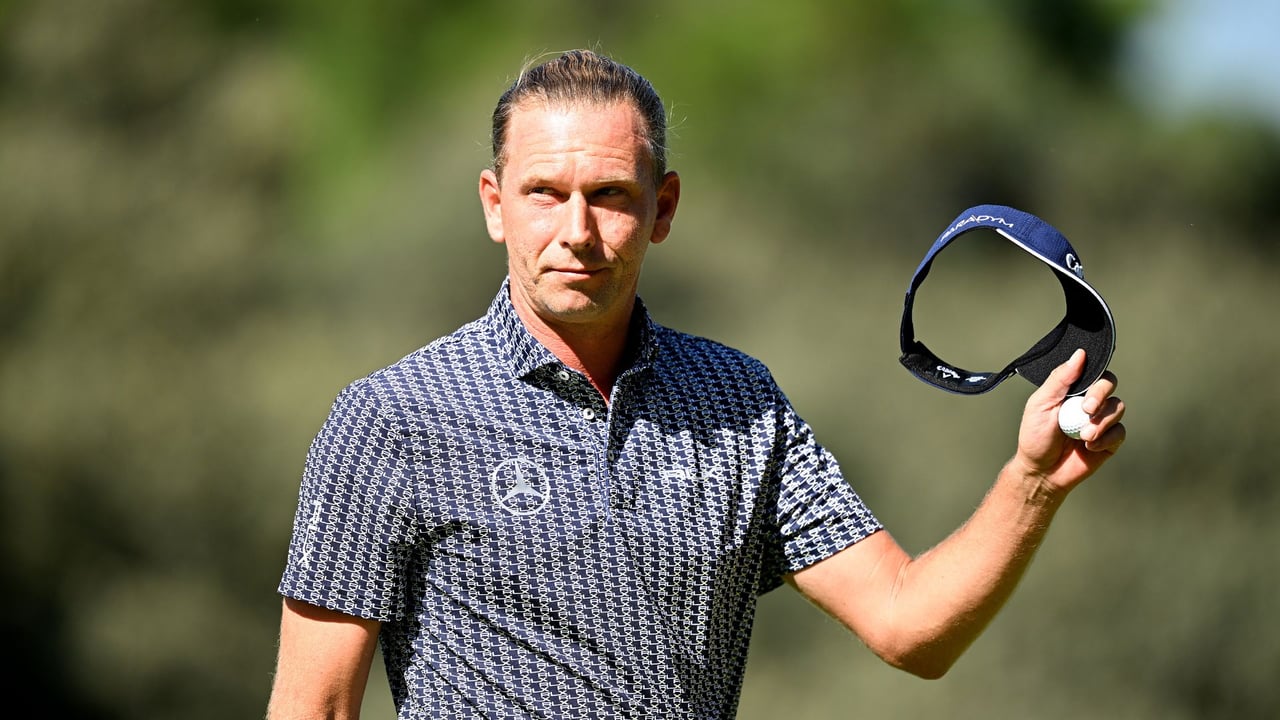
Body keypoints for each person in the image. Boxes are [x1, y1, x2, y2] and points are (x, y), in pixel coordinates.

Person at [266, 49, 1126, 719]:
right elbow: (316, 707)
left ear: (664, 208)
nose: (578, 231)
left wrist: (1033, 482)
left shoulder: (738, 401)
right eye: (544, 193)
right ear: (495, 204)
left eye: (610, 194)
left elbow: (909, 625)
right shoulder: (392, 418)